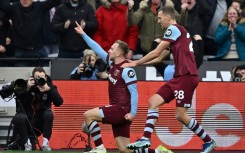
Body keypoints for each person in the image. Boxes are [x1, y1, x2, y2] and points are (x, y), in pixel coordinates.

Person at [122, 6, 216, 153]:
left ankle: (208, 141)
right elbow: (159, 58)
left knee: (181, 115)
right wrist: (137, 65)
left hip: (186, 76)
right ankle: (146, 138)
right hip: (179, 77)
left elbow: (156, 51)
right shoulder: (176, 34)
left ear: (167, 17)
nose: (159, 21)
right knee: (153, 101)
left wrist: (136, 62)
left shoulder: (173, 29)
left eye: (160, 18)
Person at [74, 21, 139, 153]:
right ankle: (158, 151)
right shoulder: (111, 62)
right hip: (120, 111)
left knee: (88, 115)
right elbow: (97, 48)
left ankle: (99, 147)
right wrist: (83, 34)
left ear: (119, 53)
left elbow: (134, 93)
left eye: (112, 49)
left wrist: (132, 113)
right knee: (125, 150)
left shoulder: (127, 69)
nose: (109, 50)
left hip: (121, 109)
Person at [1, 67, 63, 151]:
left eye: (42, 78)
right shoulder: (26, 84)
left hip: (39, 122)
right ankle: (27, 142)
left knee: (49, 113)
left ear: (45, 77)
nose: (39, 80)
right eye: (37, 78)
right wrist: (27, 88)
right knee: (19, 117)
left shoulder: (49, 85)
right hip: (25, 121)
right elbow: (5, 92)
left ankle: (45, 142)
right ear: (32, 78)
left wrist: (49, 90)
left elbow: (59, 102)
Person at [0, 0, 61, 64]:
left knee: (42, 73)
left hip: (38, 50)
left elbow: (56, 1)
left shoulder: (39, 6)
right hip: (21, 51)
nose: (25, 1)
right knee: (20, 73)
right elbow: (2, 4)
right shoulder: (14, 7)